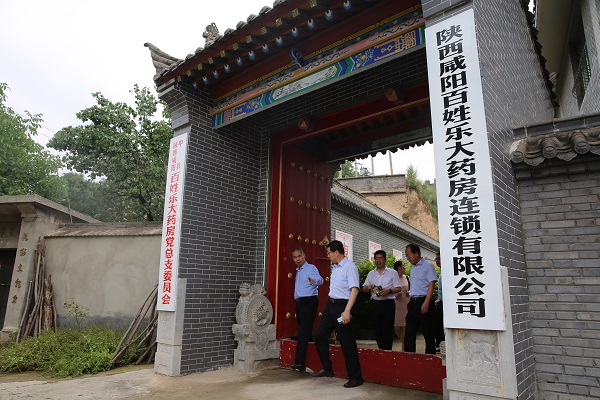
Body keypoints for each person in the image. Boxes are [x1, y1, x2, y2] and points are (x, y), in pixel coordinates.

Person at [312, 240, 363, 388]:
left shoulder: (349, 267)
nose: (328, 255)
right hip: (331, 306)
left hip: (343, 307)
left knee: (347, 341)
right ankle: (327, 369)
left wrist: (347, 311)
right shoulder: (335, 267)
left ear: (336, 252)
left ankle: (356, 377)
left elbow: (355, 290)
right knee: (319, 335)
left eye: (329, 253)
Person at [290, 248, 323, 372]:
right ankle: (309, 360)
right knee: (305, 331)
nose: (297, 259)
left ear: (304, 256)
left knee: (303, 331)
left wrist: (314, 281)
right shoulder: (298, 270)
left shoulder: (311, 268)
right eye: (295, 257)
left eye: (299, 256)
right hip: (300, 302)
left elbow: (321, 280)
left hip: (309, 301)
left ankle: (299, 361)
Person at [361, 250, 401, 350]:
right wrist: (368, 287)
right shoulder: (371, 274)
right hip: (375, 304)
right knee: (377, 329)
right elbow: (363, 289)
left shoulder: (393, 273)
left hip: (388, 304)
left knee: (387, 329)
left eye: (380, 258)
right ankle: (381, 350)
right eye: (376, 258)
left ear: (385, 259)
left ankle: (387, 351)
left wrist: (389, 290)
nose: (378, 261)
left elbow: (398, 288)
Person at [404, 243, 437, 354]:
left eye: (409, 255)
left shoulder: (428, 266)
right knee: (409, 331)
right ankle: (409, 355)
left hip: (424, 301)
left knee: (428, 332)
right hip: (413, 302)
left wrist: (426, 302)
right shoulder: (413, 268)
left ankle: (430, 356)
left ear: (416, 253)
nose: (407, 258)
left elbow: (431, 284)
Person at [393, 260, 410, 351]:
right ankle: (404, 342)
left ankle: (404, 348)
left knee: (405, 326)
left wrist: (409, 292)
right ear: (399, 267)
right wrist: (396, 294)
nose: (404, 267)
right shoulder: (393, 278)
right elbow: (390, 290)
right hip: (396, 304)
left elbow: (412, 289)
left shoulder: (407, 277)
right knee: (396, 326)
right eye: (403, 266)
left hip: (406, 303)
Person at [434, 252, 445, 351]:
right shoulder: (441, 272)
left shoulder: (446, 272)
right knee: (438, 323)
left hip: (445, 303)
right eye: (436, 259)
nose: (437, 261)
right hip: (440, 301)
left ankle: (440, 343)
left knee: (440, 323)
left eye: (439, 259)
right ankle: (439, 343)